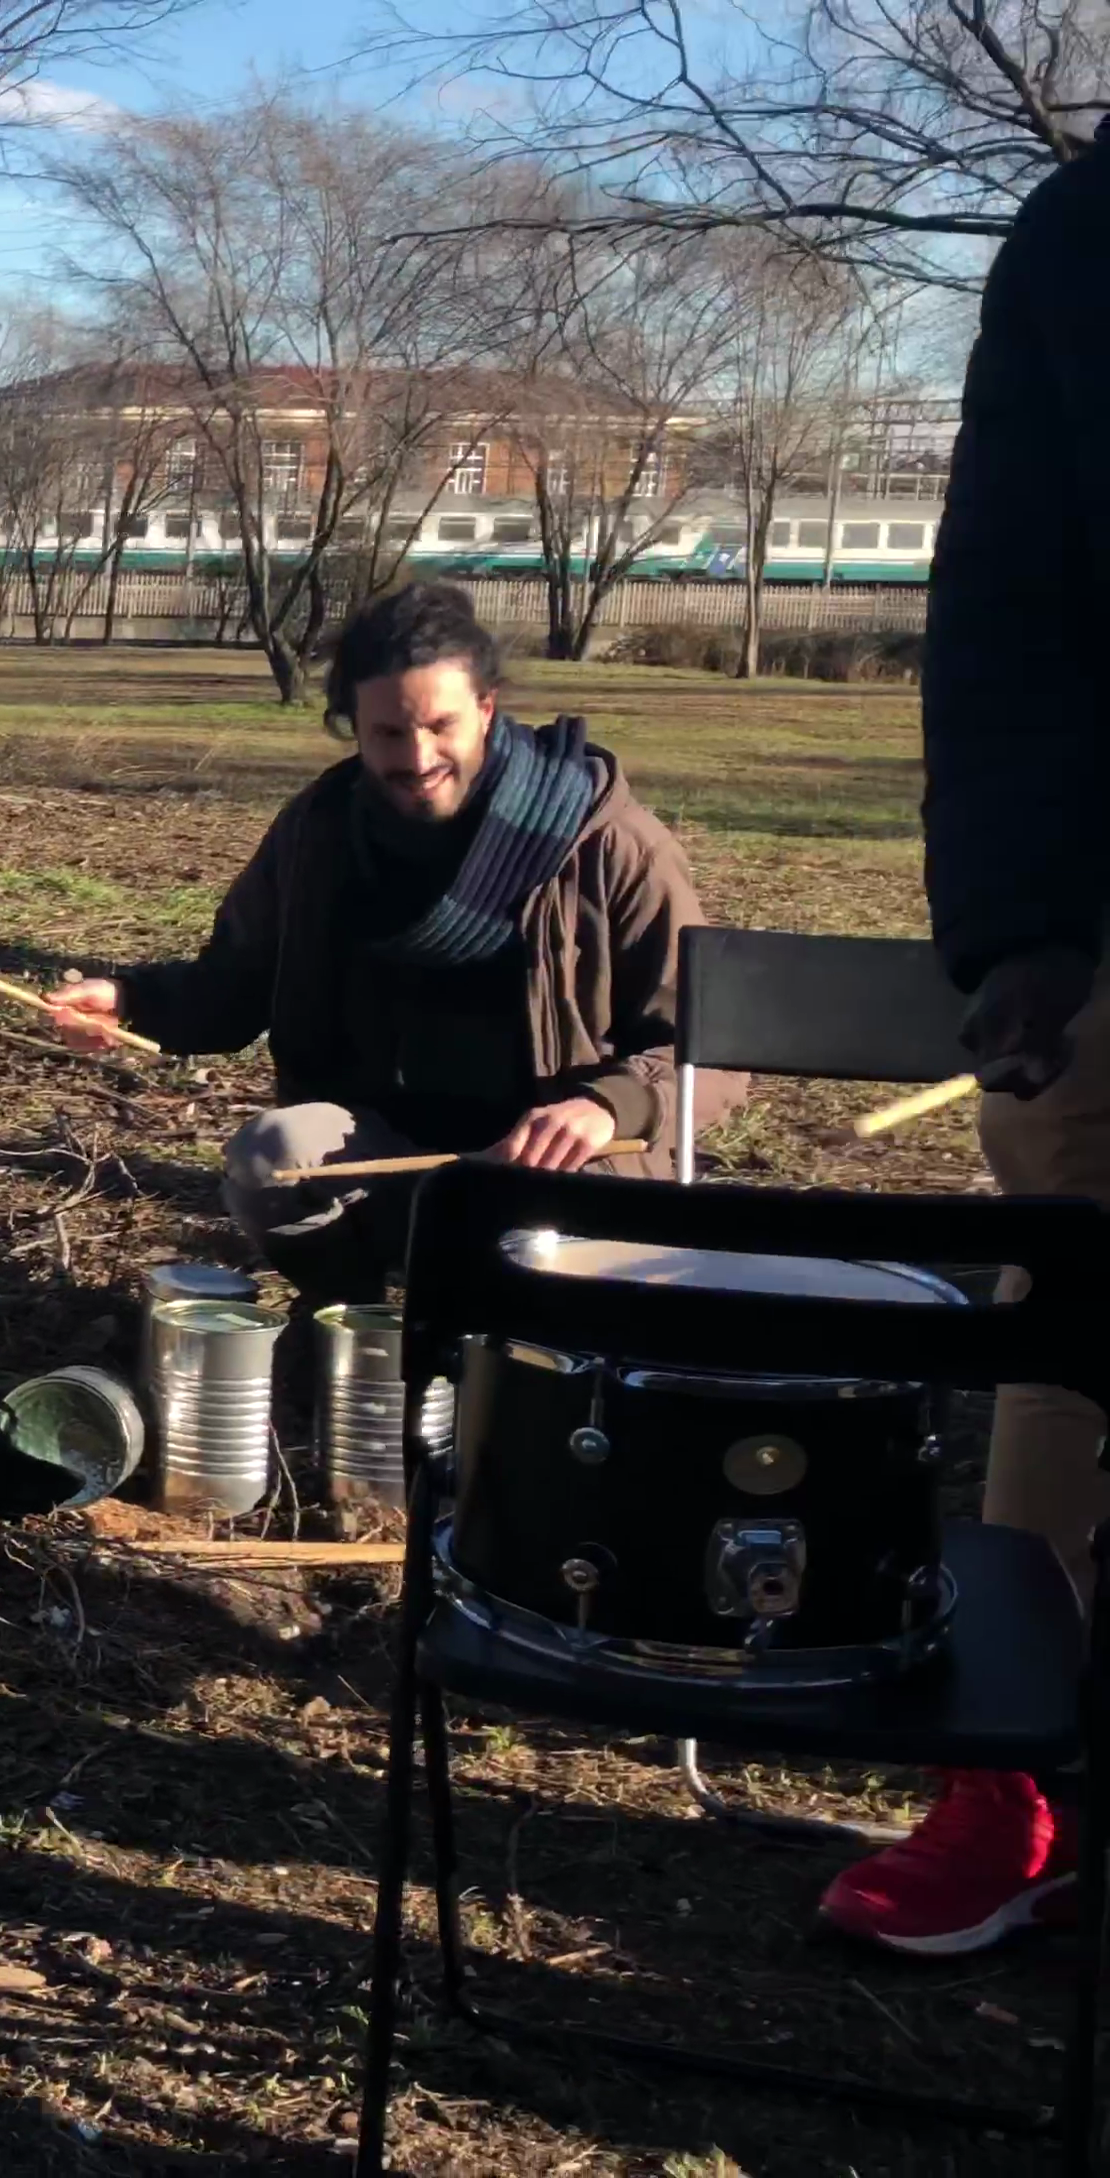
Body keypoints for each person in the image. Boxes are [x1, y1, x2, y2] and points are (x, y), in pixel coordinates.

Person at [813, 144, 1110, 1957]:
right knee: (1069, 1333)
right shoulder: (1082, 238)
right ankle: (1017, 1788)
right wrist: (1017, 923)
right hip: (1105, 919)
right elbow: (1005, 597)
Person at [45, 582, 724, 1301]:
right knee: (274, 1156)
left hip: (554, 1165)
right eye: (389, 734)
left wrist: (610, 1105)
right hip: (392, 1155)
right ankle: (353, 1321)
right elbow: (237, 982)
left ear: (486, 709)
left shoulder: (607, 840)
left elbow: (706, 1046)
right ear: (353, 726)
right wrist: (128, 999)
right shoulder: (320, 831)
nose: (419, 757)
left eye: (441, 726)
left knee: (533, 1302)